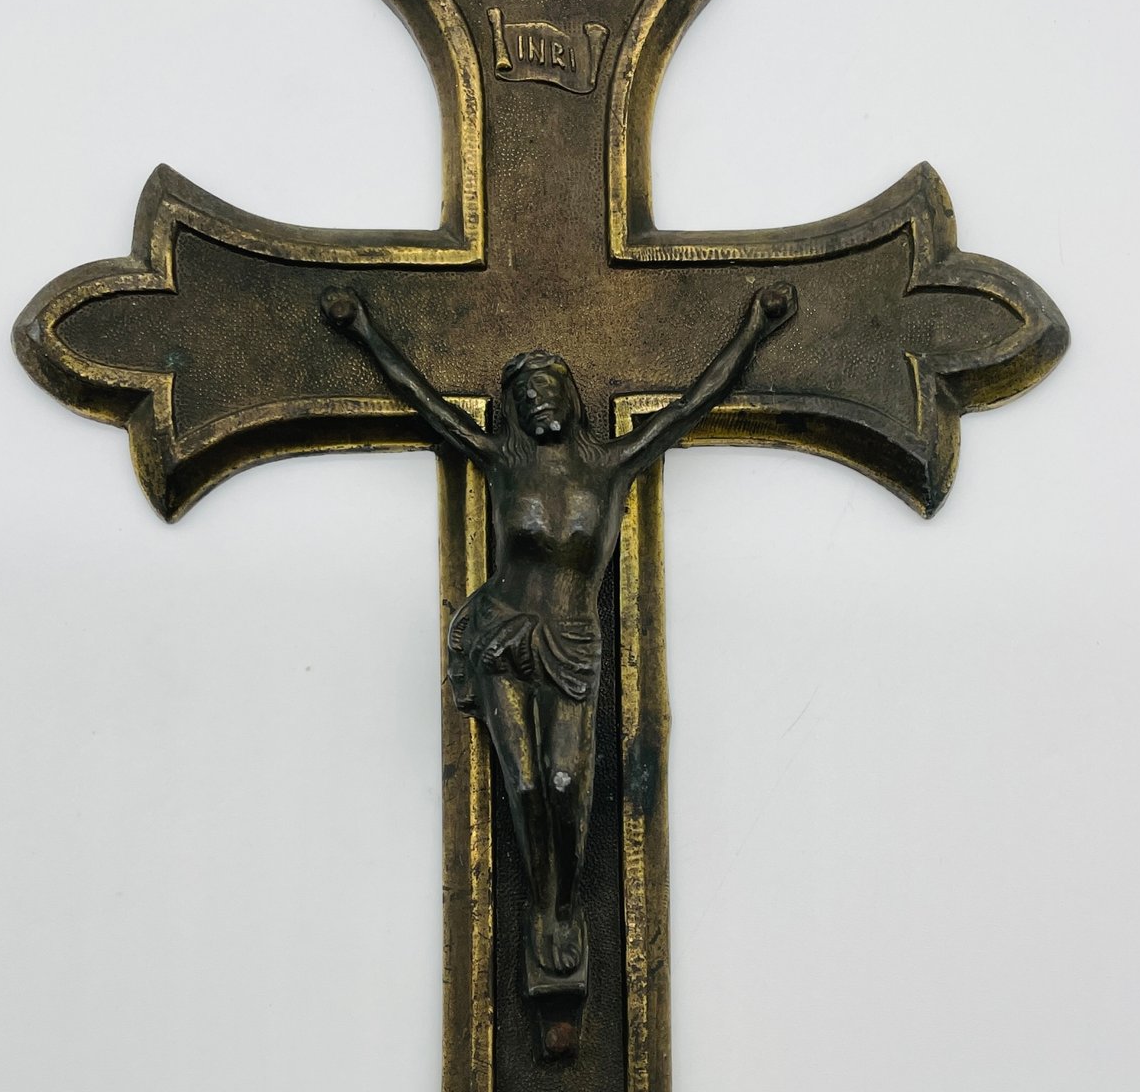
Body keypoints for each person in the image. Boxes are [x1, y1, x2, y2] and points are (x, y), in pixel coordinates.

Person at [321, 279, 797, 1042]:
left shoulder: (610, 465)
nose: (539, 401)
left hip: (572, 641)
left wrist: (754, 328)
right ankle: (548, 917)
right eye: (526, 394)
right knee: (525, 780)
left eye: (550, 389)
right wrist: (364, 331)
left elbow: (693, 404)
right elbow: (424, 401)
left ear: (571, 400)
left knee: (569, 781)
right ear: (514, 408)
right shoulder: (500, 461)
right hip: (503, 633)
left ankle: (561, 902)